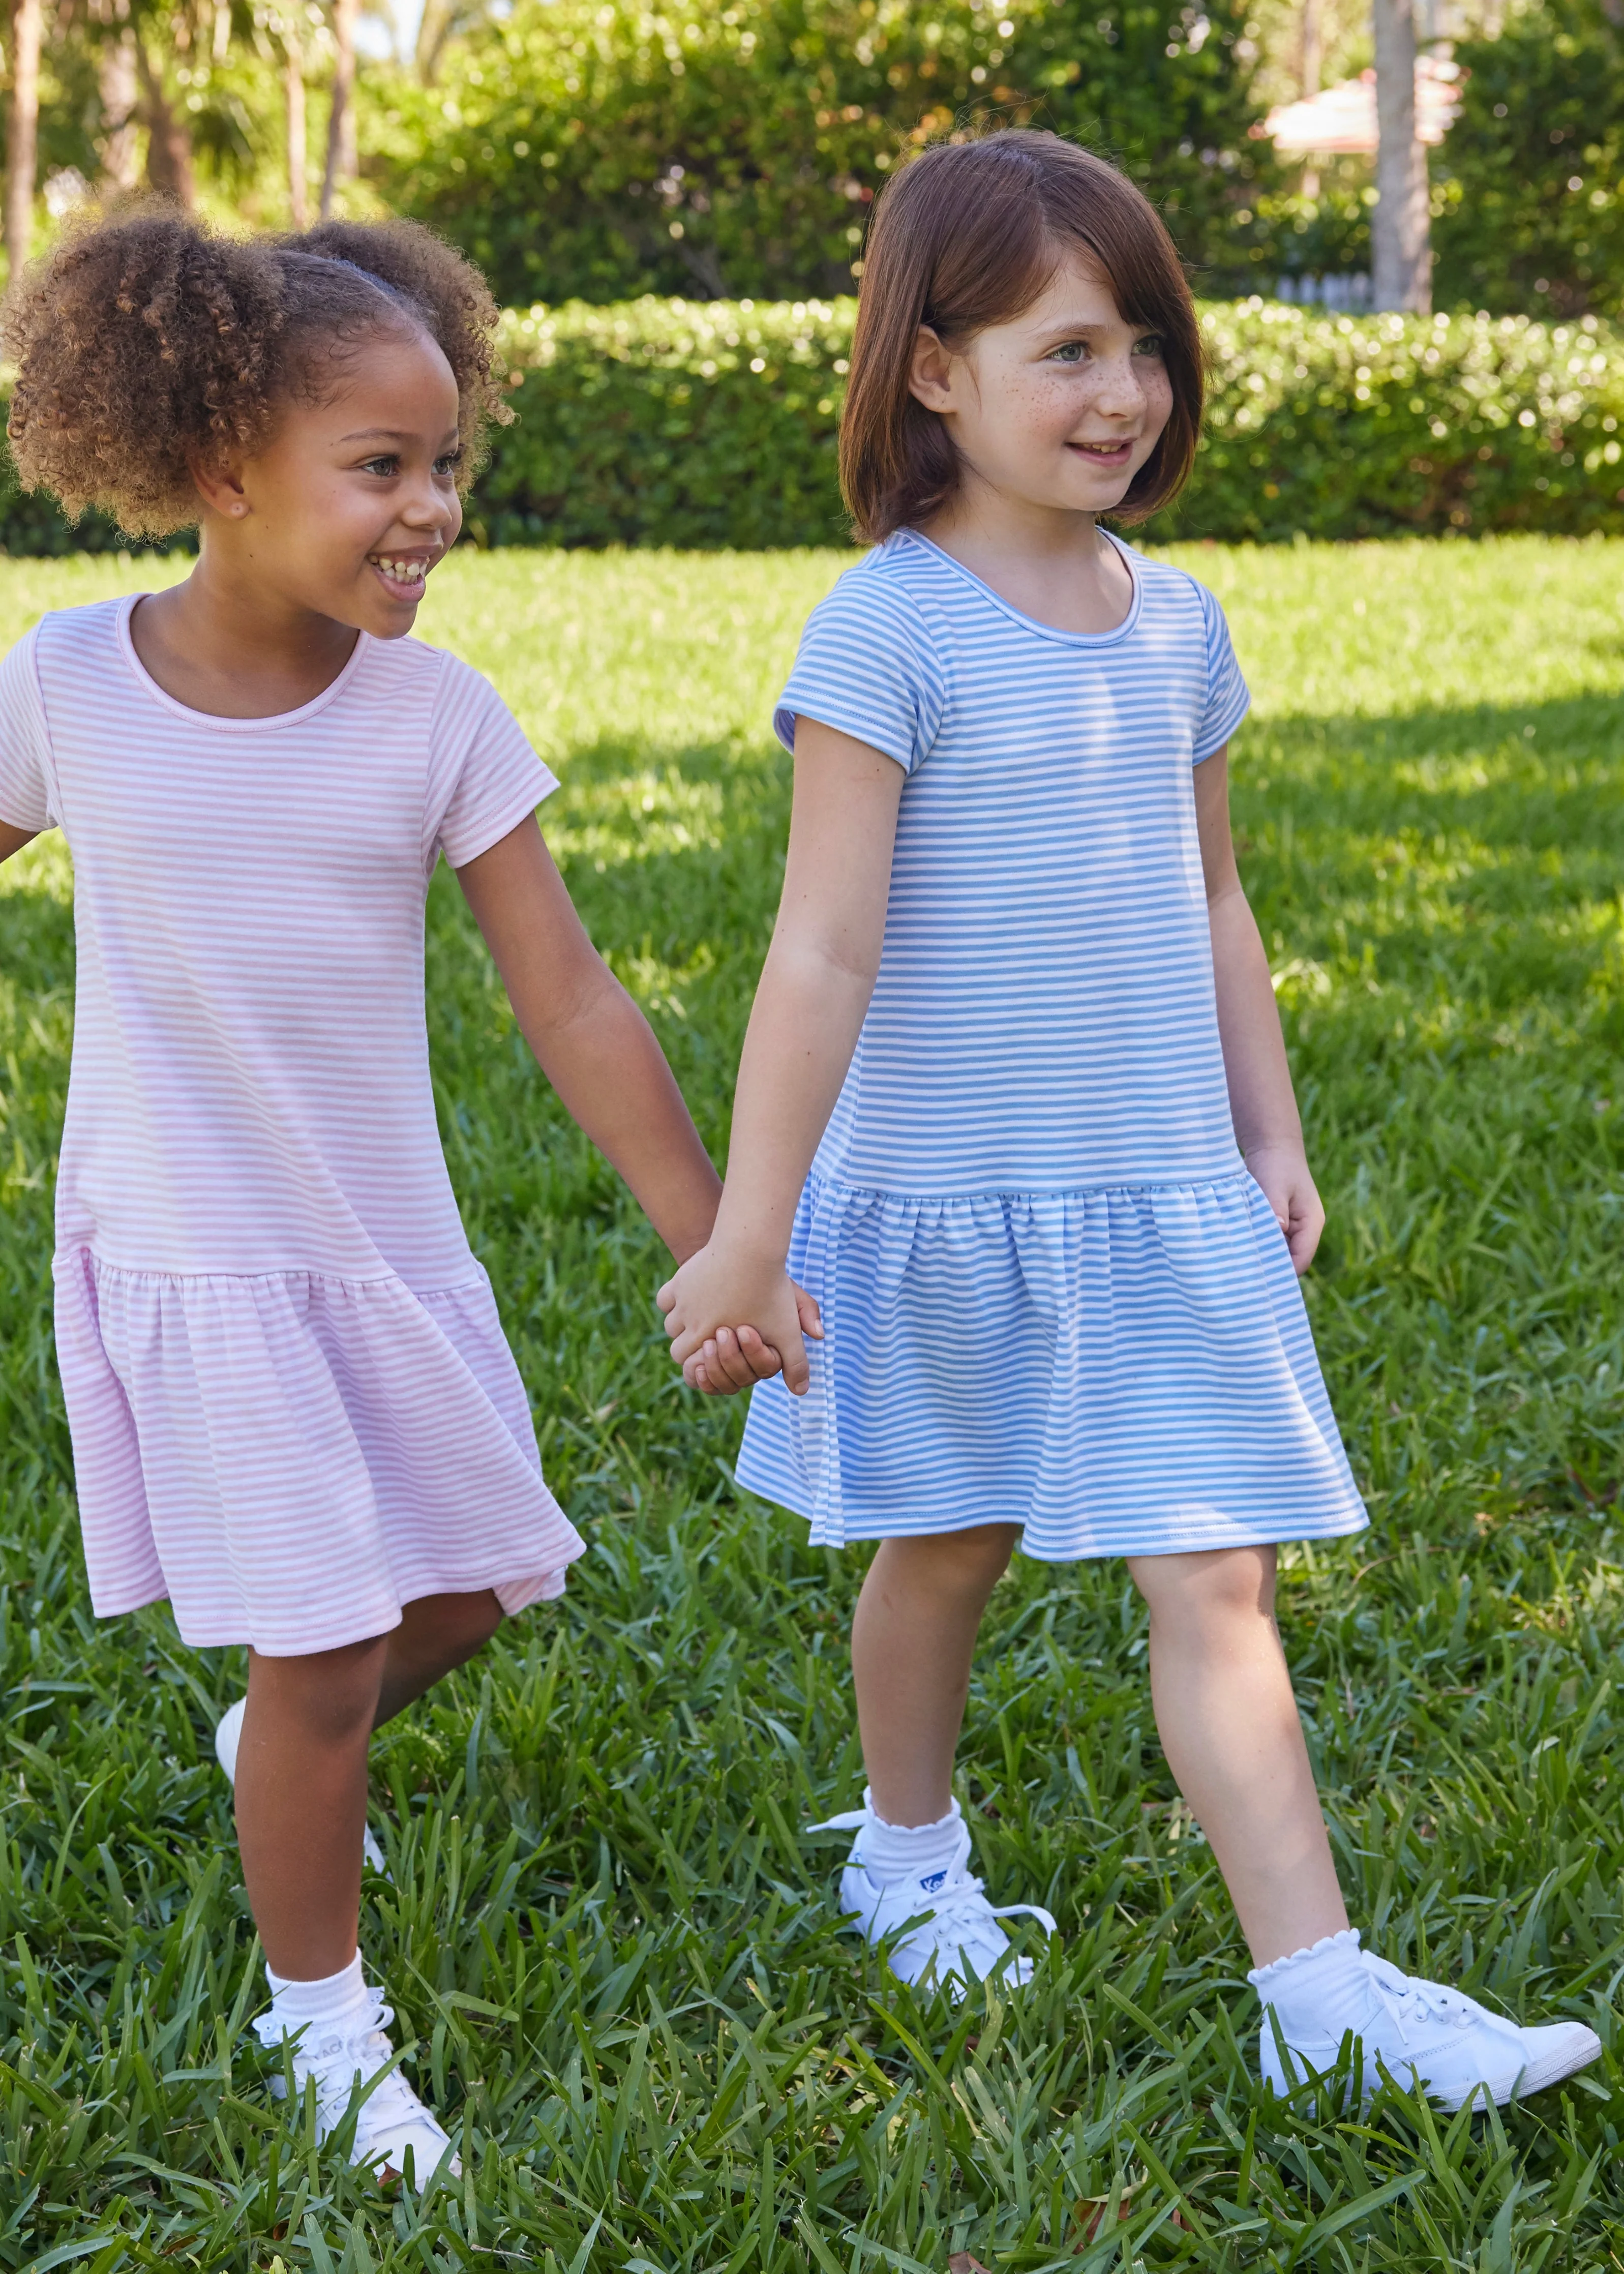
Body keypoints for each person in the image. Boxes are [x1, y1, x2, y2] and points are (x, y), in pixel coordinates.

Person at [658, 131, 1600, 2111]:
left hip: (1160, 1190)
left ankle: (1317, 1993)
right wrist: (753, 1226)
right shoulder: (888, 628)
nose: (1124, 393)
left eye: (1147, 346)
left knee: (1216, 1571)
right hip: (944, 1194)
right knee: (944, 1547)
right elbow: (820, 949)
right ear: (933, 370)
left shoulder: (1177, 625)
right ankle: (906, 1853)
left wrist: (1271, 1127)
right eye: (1069, 350)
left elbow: (1218, 895)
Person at [0, 207, 775, 2185]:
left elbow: (572, 996)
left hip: (387, 1250)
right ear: (216, 467)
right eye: (381, 467)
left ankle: (273, 1745)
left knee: (491, 1569)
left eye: (446, 463)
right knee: (331, 1652)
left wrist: (714, 1232)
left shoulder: (436, 718)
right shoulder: (70, 681)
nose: (432, 507)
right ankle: (323, 2023)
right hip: (197, 1252)